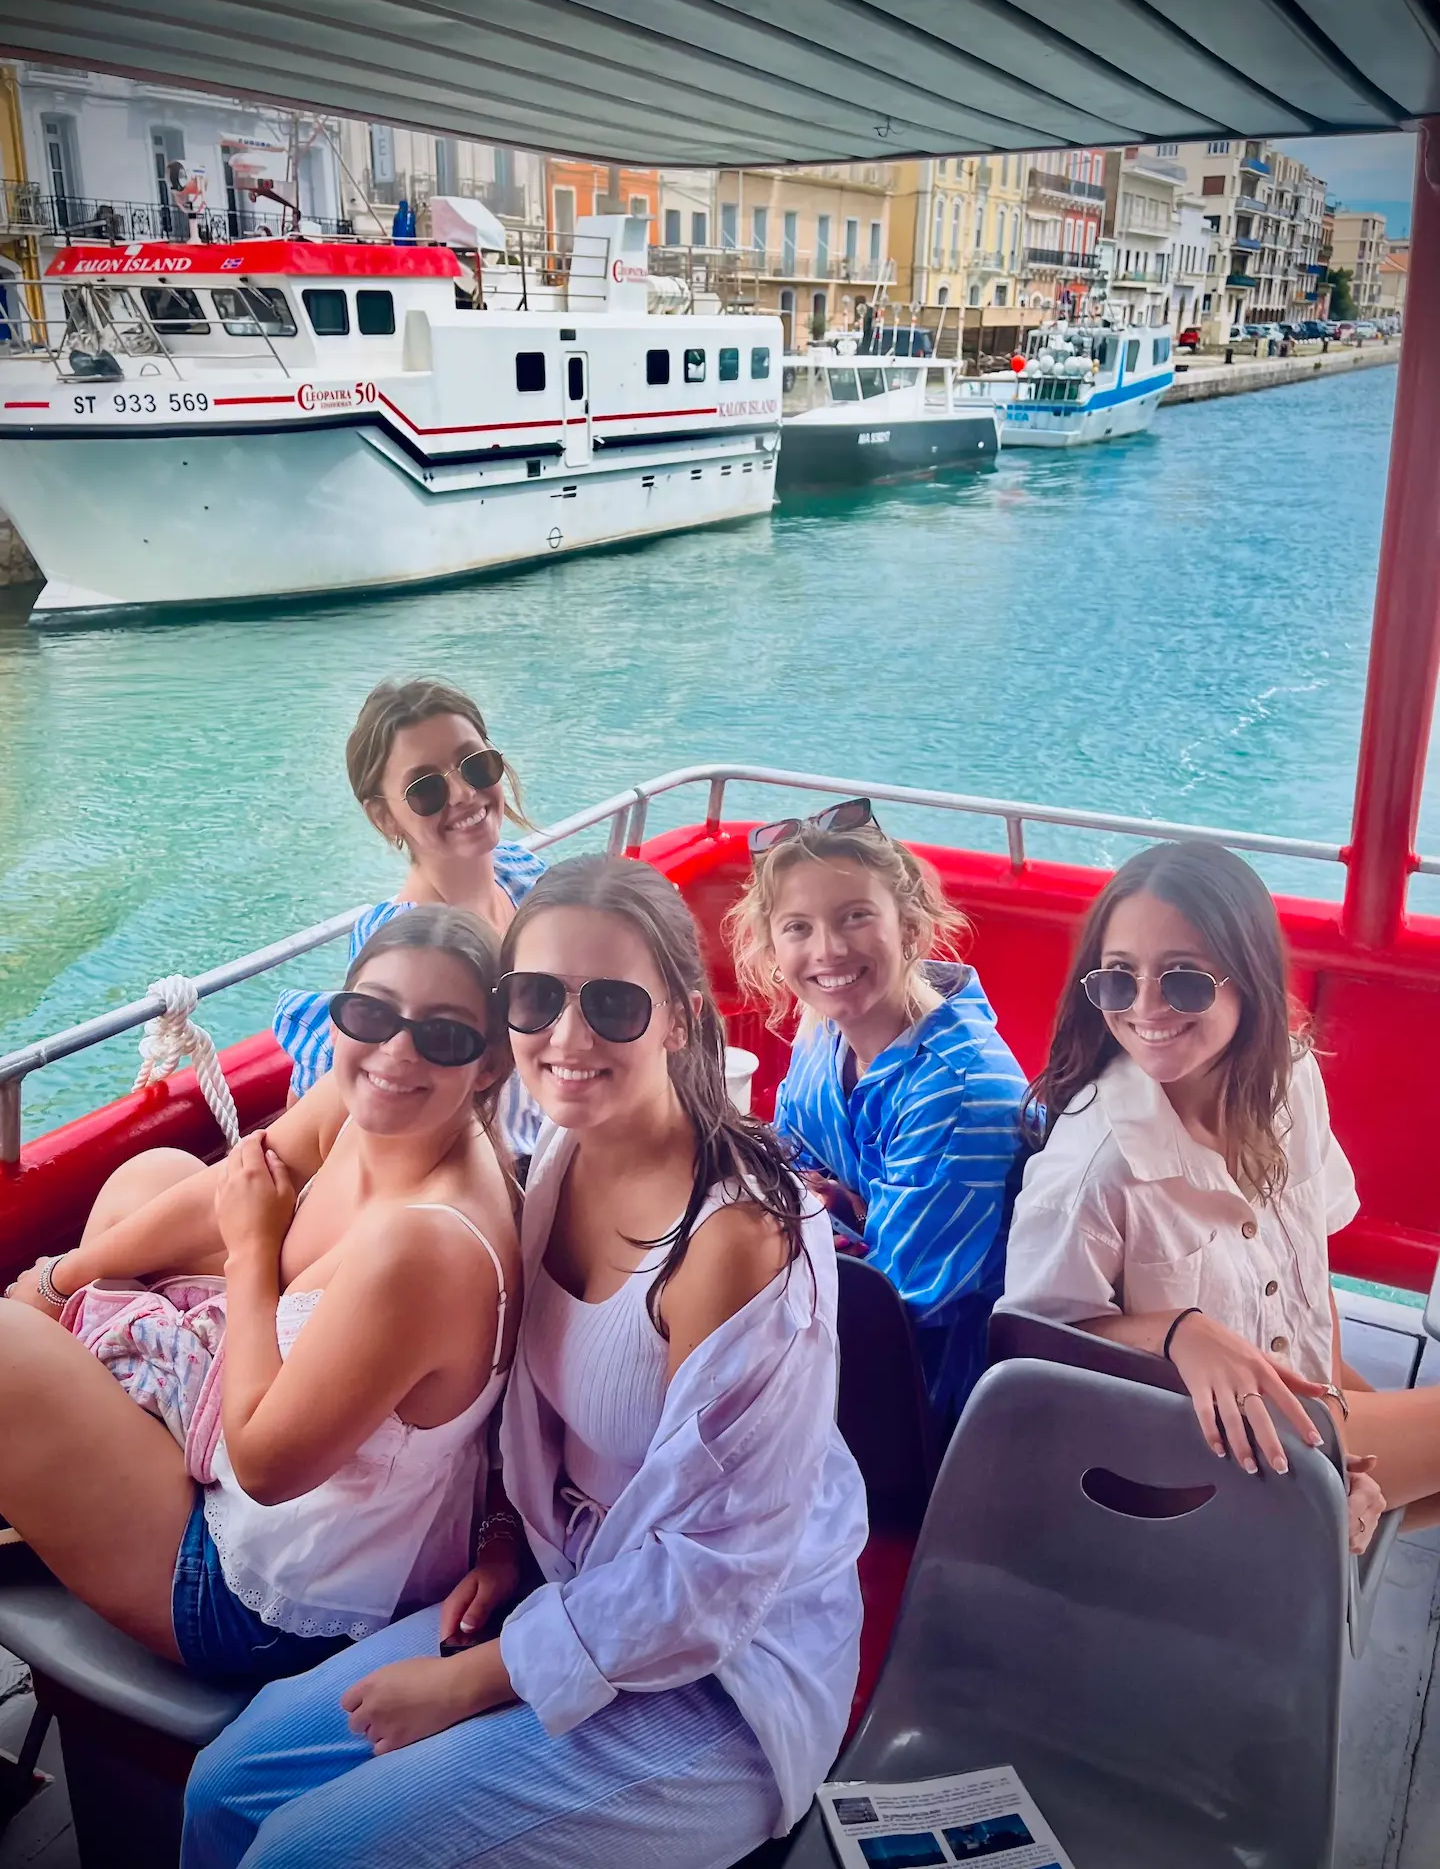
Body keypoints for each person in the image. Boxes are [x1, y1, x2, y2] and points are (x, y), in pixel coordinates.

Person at [182, 855, 867, 1869]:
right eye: (535, 998)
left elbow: (714, 1579)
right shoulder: (558, 1163)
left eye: (614, 1005)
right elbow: (533, 1420)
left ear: (679, 1016)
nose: (568, 1036)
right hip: (565, 1590)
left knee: (300, 1855)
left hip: (723, 1680)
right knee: (226, 1791)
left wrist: (477, 1679)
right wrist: (504, 1536)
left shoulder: (740, 1239)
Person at [0, 906, 519, 1678]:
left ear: (490, 1066)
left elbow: (269, 1471)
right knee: (154, 1178)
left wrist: (250, 1252)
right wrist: (57, 1277)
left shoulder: (428, 1244)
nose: (396, 1050)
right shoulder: (367, 1101)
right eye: (370, 1014)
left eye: (443, 1034)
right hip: (263, 1446)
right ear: (340, 1016)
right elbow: (234, 1182)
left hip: (268, 1597)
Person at [998, 839, 1408, 1550]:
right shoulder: (1097, 1167)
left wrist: (1338, 1425)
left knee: (1395, 1493)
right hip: (1193, 1462)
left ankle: (1321, 1559)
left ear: (1248, 979)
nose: (1147, 1008)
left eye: (1184, 980)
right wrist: (1177, 1331)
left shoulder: (1291, 1083)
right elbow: (1031, 1350)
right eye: (1119, 979)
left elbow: (1307, 1280)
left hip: (1283, 1416)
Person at [726, 798, 1027, 1427]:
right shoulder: (824, 1032)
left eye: (856, 916)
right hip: (829, 1324)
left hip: (922, 1403)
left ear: (910, 927)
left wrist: (820, 1210)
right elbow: (791, 1158)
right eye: (798, 927)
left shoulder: (958, 1090)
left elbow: (898, 1306)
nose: (828, 951)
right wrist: (838, 1207)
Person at [275, 676, 546, 1157]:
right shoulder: (399, 944)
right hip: (502, 1175)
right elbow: (331, 1111)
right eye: (426, 789)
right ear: (384, 817)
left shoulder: (524, 875)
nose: (463, 793)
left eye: (474, 764)